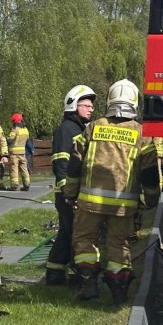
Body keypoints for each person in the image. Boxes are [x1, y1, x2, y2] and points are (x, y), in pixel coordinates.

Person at [63, 79, 160, 303]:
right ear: (135, 102)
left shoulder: (92, 127)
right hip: (123, 206)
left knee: (85, 242)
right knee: (119, 246)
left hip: (89, 203)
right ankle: (118, 292)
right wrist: (152, 200)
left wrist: (70, 193)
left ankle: (89, 285)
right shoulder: (142, 134)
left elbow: (74, 164)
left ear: (110, 99)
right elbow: (149, 174)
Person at [44, 85, 96, 286]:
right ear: (74, 105)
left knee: (67, 233)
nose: (90, 109)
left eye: (91, 106)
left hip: (73, 192)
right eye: (86, 105)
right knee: (77, 233)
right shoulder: (66, 130)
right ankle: (81, 275)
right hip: (68, 193)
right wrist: (69, 193)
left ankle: (55, 273)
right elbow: (61, 162)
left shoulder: (79, 128)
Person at [5, 112, 31, 191]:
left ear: (14, 121)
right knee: (24, 169)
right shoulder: (26, 130)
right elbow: (27, 141)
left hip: (14, 154)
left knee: (14, 169)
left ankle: (14, 185)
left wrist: (5, 138)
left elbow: (10, 140)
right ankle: (27, 184)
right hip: (23, 153)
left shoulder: (15, 130)